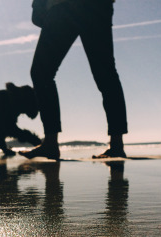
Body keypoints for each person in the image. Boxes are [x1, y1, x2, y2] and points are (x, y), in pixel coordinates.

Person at [20, 0, 128, 160]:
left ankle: (51, 142)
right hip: (79, 7)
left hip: (69, 7)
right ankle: (116, 144)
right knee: (105, 73)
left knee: (43, 72)